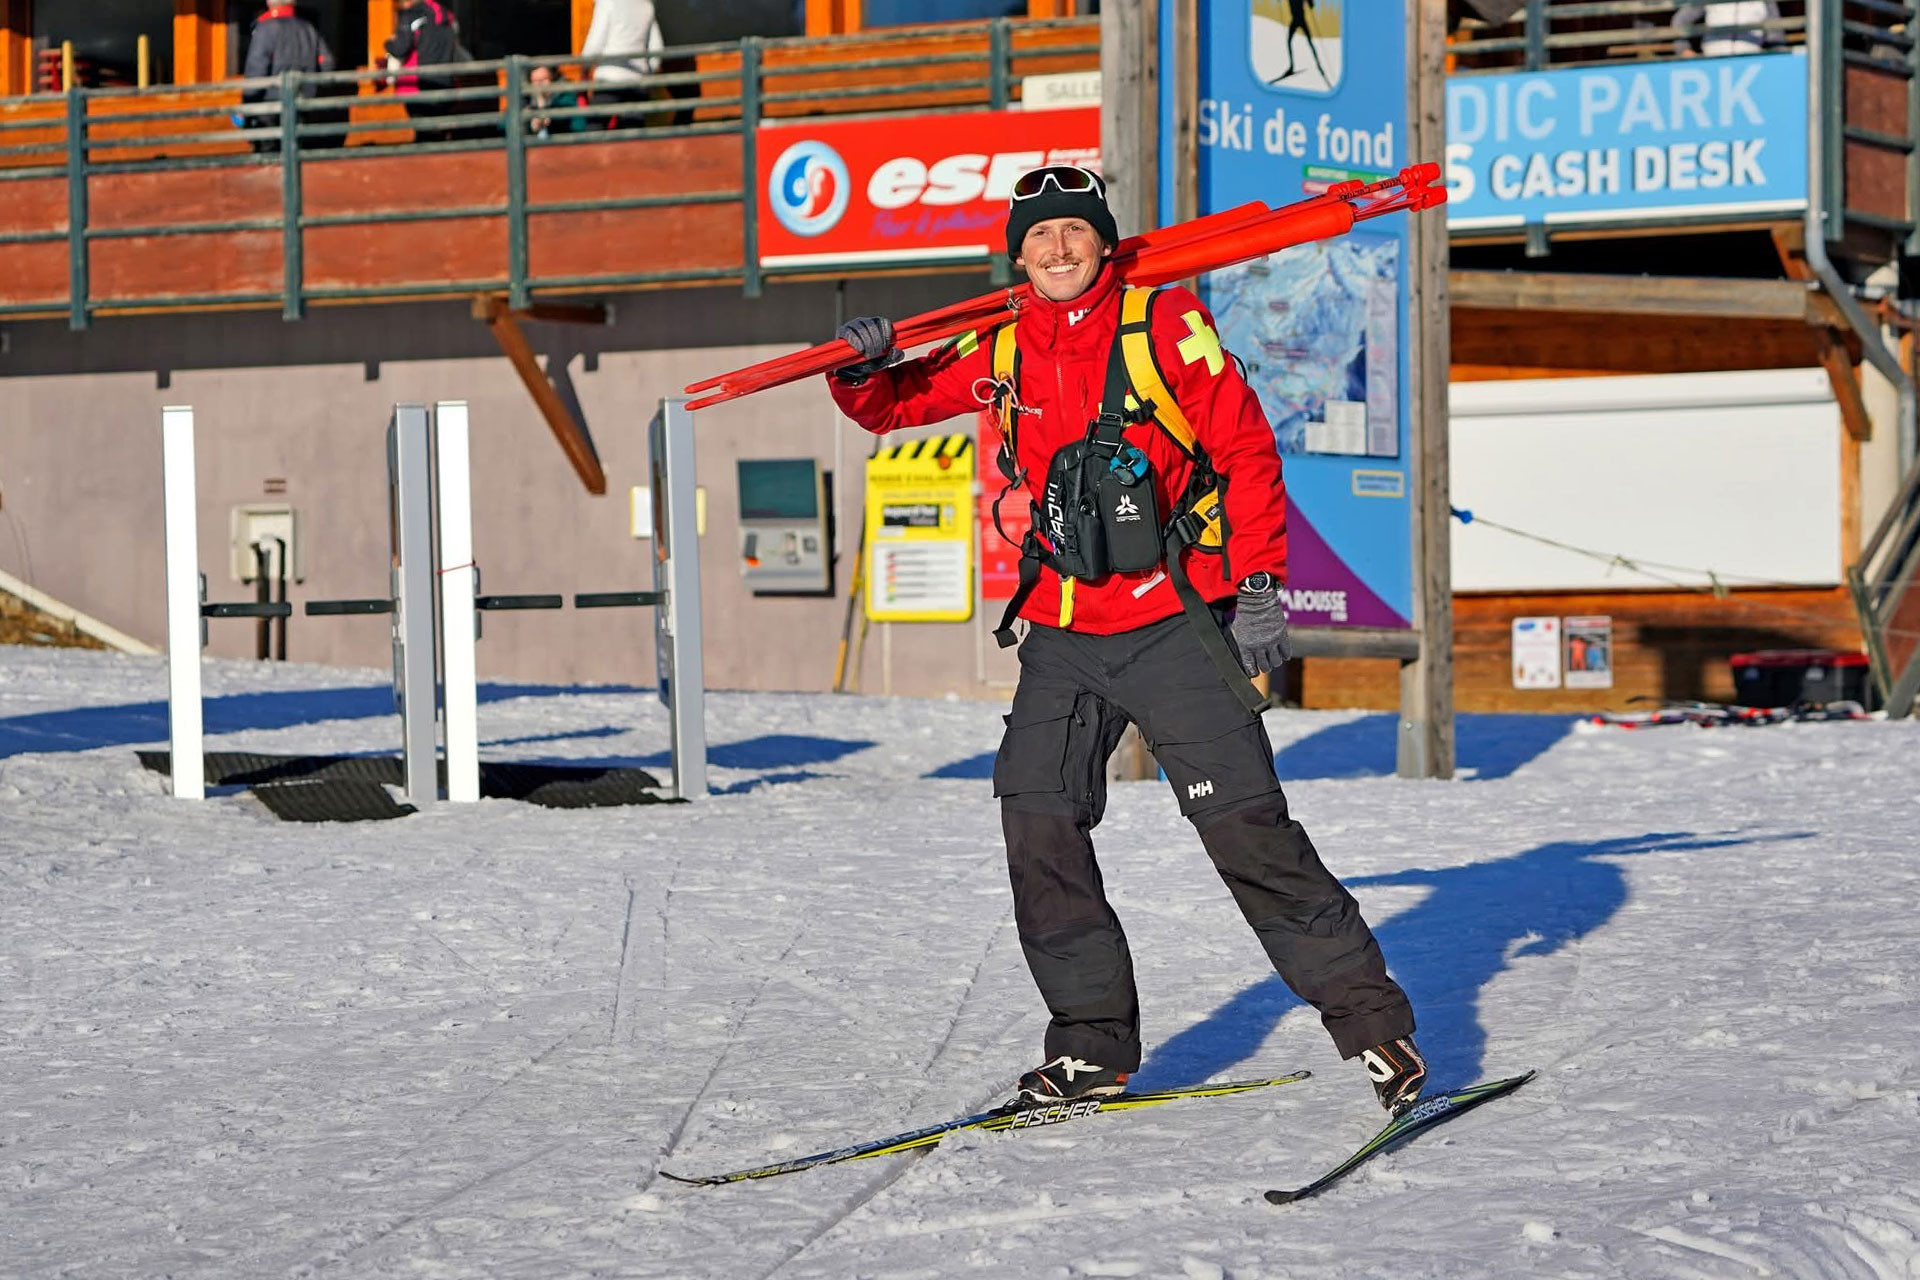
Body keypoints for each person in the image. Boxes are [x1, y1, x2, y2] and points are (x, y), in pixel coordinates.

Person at [826, 167, 1426, 1115]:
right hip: (1065, 627)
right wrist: (859, 368)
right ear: (1018, 255)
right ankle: (1091, 1046)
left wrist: (1258, 582)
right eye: (1039, 235)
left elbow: (1245, 450)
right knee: (1038, 816)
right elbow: (899, 403)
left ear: (1103, 242)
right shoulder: (1000, 340)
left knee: (1245, 829)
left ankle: (1377, 1029)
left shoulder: (1164, 324)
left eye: (1074, 229)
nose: (1058, 248)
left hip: (1173, 621)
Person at [240, 2, 335, 154]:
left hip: (270, 104)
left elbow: (256, 69)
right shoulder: (308, 28)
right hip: (302, 100)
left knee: (270, 154)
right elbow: (327, 64)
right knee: (295, 151)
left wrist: (247, 103)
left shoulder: (265, 28)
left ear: (270, 2)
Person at [385, 0, 468, 144]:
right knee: (438, 133)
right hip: (446, 83)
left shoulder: (413, 14)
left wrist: (388, 44)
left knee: (425, 136)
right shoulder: (447, 15)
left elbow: (400, 48)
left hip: (416, 85)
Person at [580, 0, 665, 128]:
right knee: (632, 130)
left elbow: (595, 41)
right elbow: (657, 48)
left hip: (609, 77)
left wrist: (585, 68)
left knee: (595, 128)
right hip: (637, 79)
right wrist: (648, 73)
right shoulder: (645, 4)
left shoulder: (607, 2)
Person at [1672, 2, 1779, 56]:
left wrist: (1777, 57)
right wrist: (1683, 49)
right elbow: (1680, 20)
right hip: (1714, 60)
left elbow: (1776, 32)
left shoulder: (1767, 2)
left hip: (1751, 60)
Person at [527, 65, 591, 139]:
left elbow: (565, 112)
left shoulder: (565, 91)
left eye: (544, 79)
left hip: (570, 138)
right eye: (535, 81)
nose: (540, 84)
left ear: (552, 78)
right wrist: (532, 125)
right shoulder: (528, 97)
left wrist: (549, 117)